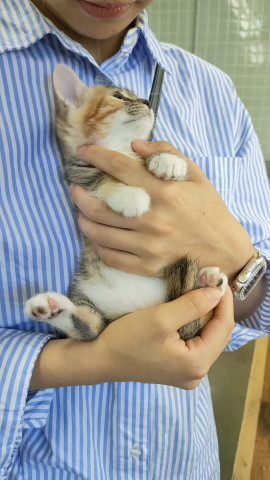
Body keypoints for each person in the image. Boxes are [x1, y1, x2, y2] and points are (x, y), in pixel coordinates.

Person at [0, 1, 269, 478]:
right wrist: (87, 361)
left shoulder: (212, 92)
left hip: (183, 463)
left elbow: (262, 308)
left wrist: (234, 259)